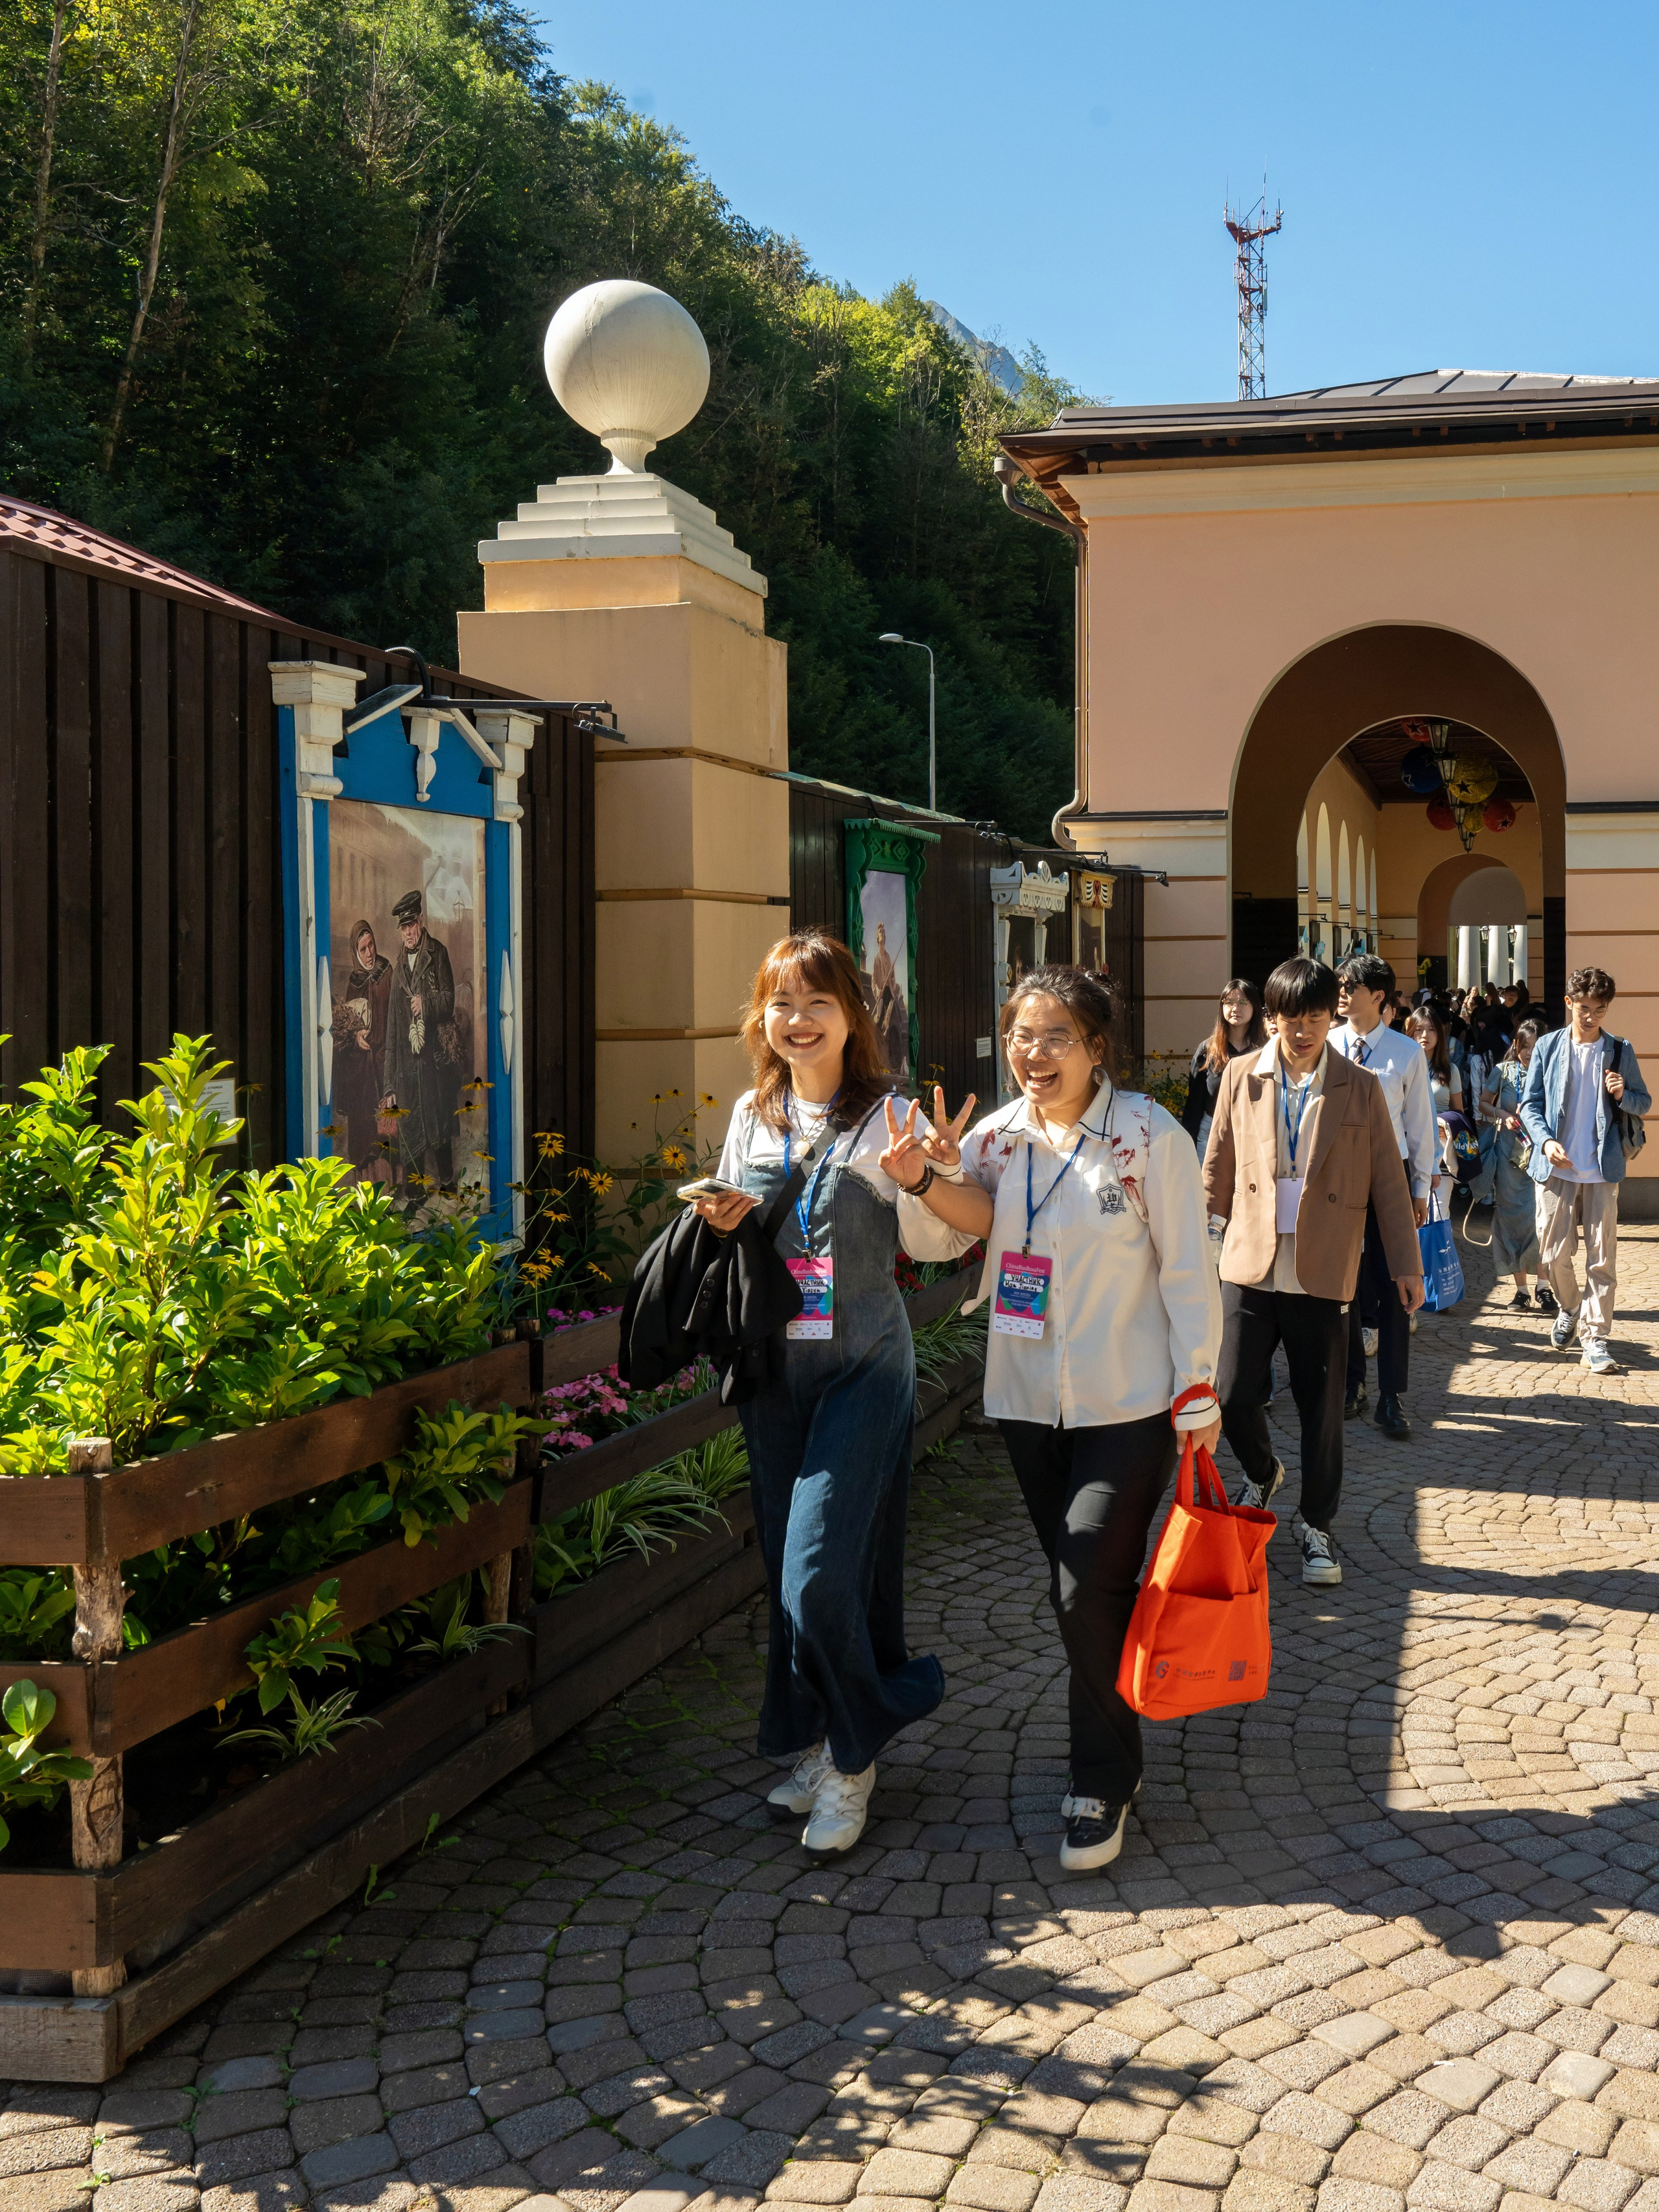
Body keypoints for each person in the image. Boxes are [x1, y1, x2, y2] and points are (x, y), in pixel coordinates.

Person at [892, 964, 1220, 1872]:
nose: (1035, 1054)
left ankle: (1098, 1782)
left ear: (1097, 1048)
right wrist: (923, 1180)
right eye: (1022, 1035)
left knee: (1081, 1586)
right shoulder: (994, 1141)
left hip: (1133, 1401)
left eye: (1057, 1037)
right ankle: (1120, 1749)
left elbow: (1190, 1266)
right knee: (1092, 1595)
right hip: (1032, 1401)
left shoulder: (1149, 1138)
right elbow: (943, 1242)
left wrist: (1198, 1384)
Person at [690, 930, 966, 1854]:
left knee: (814, 1568)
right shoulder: (751, 1115)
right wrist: (726, 1218)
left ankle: (854, 1756)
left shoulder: (889, 1113)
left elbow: (936, 1248)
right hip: (775, 1374)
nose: (797, 1021)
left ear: (852, 1013)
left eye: (816, 1002)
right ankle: (817, 1740)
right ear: (761, 1018)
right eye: (781, 1003)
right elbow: (740, 1246)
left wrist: (923, 1177)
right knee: (798, 1573)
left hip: (864, 1369)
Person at [1204, 958, 1423, 1589]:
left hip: (1324, 1268)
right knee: (1233, 1389)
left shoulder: (1358, 1085)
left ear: (1332, 1017)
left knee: (1322, 1408)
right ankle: (1263, 1468)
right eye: (1290, 1019)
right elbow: (1216, 1167)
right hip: (1249, 1263)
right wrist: (1192, 1250)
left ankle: (1316, 1524)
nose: (1301, 1031)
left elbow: (1388, 1178)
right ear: (1271, 1018)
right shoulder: (1242, 1076)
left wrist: (1405, 1264)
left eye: (1314, 1019)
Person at [1518, 967, 1651, 1375]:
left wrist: (1622, 1094)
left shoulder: (1619, 1049)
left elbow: (1643, 1103)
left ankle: (1595, 1339)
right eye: (1584, 1008)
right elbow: (1529, 1105)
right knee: (1553, 1252)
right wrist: (1545, 1141)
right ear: (1569, 1003)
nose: (1590, 1016)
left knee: (1601, 1260)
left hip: (1601, 1168)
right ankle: (1571, 1306)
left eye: (1599, 1010)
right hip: (1556, 1166)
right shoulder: (1548, 1047)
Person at [1330, 954, 1438, 1440]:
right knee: (1342, 1285)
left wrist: (1420, 1186)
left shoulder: (1404, 1052)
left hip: (1390, 1176)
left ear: (1377, 996)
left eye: (1350, 986)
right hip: (1337, 1177)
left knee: (1397, 1283)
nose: (1341, 992)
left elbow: (1419, 1125)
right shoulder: (1327, 1043)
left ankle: (1391, 1396)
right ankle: (1352, 1383)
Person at [382, 889, 460, 1190]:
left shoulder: (438, 954)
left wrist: (425, 1003)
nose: (409, 933)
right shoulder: (398, 968)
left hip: (434, 1061)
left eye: (412, 925)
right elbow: (391, 1029)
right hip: (406, 1067)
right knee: (411, 1130)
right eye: (403, 928)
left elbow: (449, 1001)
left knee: (438, 1124)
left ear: (421, 921)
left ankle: (448, 1183)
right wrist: (390, 1084)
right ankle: (415, 1195)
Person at [1476, 1019, 1550, 1309]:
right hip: (1509, 1156)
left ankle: (1544, 1286)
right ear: (1516, 1045)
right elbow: (1483, 1102)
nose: (1529, 1052)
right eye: (1524, 1046)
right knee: (1509, 1220)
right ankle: (1521, 1290)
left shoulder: (1550, 1073)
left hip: (1541, 1156)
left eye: (1535, 1046)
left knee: (1540, 1219)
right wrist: (1500, 1115)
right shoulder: (1502, 1071)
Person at [332, 920, 393, 1182]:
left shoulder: (387, 972)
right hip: (362, 1067)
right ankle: (367, 1186)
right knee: (363, 1122)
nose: (369, 954)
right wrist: (356, 1037)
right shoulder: (354, 980)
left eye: (371, 946)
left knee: (388, 1126)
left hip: (385, 1061)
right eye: (363, 949)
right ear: (355, 953)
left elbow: (396, 1016)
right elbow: (346, 1024)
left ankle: (389, 1185)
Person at [1181, 979, 1267, 1154]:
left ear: (1255, 1006)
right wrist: (1187, 1143)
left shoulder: (1266, 1049)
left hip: (1254, 1130)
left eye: (1243, 1002)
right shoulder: (1208, 1049)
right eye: (1229, 1002)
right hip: (1212, 1129)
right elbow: (1195, 1102)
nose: (1236, 1008)